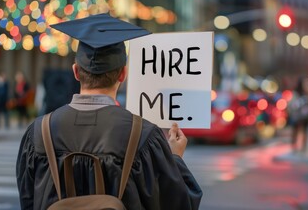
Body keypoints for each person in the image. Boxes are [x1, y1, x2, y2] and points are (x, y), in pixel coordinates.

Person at [16, 13, 202, 209]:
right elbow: (180, 205)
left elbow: (28, 201)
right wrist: (175, 159)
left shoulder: (38, 133)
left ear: (76, 72)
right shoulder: (144, 136)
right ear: (123, 74)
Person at [287, 77, 308, 152]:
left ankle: (303, 147)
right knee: (295, 130)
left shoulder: (307, 94)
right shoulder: (295, 94)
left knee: (305, 131)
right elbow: (291, 105)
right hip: (296, 116)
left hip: (305, 116)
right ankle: (294, 146)